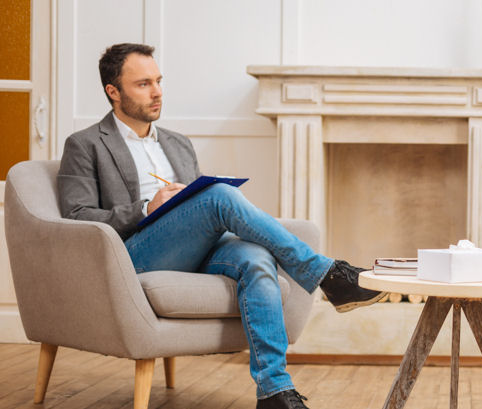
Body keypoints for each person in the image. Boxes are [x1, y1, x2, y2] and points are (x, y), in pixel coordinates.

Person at [57, 43, 387, 409]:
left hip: (191, 249)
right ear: (113, 92)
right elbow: (77, 216)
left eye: (159, 81)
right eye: (143, 84)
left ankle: (274, 390)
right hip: (136, 252)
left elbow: (199, 211)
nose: (157, 92)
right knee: (218, 195)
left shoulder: (177, 144)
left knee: (256, 256)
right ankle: (327, 274)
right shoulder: (85, 144)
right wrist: (144, 207)